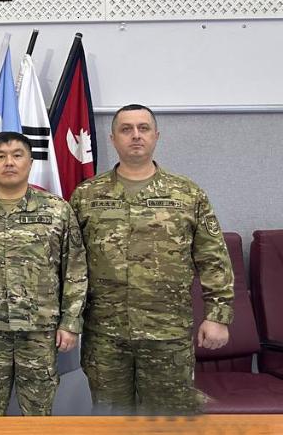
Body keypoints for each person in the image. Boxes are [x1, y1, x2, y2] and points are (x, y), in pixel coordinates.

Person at [71, 104, 233, 415]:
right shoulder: (87, 195)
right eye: (126, 129)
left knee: (168, 424)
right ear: (113, 139)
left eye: (143, 128)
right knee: (110, 420)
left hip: (167, 333)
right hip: (106, 335)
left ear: (156, 136)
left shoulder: (187, 194)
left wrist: (218, 316)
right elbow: (72, 264)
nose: (136, 135)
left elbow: (214, 257)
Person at [0, 132, 87, 416]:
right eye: (0, 156)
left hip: (39, 332)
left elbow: (75, 268)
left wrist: (70, 322)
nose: (9, 162)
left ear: (30, 162)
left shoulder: (57, 210)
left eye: (17, 155)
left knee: (38, 414)